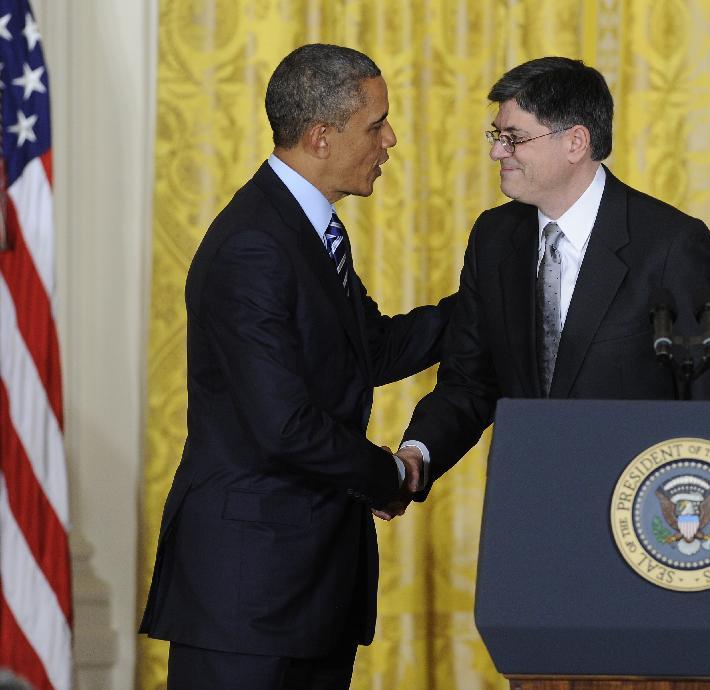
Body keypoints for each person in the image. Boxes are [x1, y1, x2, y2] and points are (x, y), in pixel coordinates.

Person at [139, 44, 454, 690]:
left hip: (306, 594)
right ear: (320, 137)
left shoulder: (304, 230)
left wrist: (489, 305)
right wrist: (389, 473)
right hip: (248, 600)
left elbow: (376, 347)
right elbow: (283, 425)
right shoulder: (256, 244)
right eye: (376, 124)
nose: (390, 139)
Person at [388, 56, 710, 508]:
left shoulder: (671, 245)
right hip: (529, 510)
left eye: (513, 138)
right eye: (497, 137)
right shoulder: (495, 239)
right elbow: (469, 381)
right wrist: (416, 456)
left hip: (644, 516)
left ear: (575, 141)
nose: (497, 152)